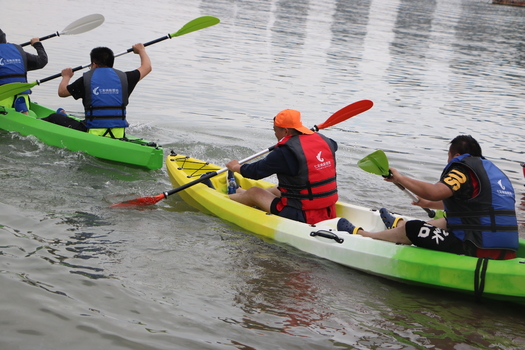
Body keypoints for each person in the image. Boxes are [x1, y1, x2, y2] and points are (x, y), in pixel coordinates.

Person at [340, 135, 519, 260]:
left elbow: (434, 191)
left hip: (476, 248)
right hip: (505, 247)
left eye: (448, 156)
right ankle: (397, 225)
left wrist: (400, 178)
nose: (448, 161)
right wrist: (427, 203)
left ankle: (365, 234)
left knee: (413, 228)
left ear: (456, 155)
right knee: (447, 221)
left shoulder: (463, 168)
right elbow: (472, 205)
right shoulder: (493, 173)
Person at [225, 109, 338, 225]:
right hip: (328, 209)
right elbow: (334, 145)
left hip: (301, 215)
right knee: (276, 189)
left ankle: (227, 198)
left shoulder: (284, 153)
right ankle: (241, 193)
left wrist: (236, 167)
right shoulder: (327, 142)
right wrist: (304, 137)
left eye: (275, 130)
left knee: (255, 192)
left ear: (285, 131)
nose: (275, 134)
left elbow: (255, 172)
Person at [42, 44, 151, 138]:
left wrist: (66, 76)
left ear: (94, 64)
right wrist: (141, 50)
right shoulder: (125, 78)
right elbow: (147, 67)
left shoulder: (86, 80)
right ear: (112, 64)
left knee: (54, 117)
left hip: (92, 132)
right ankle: (65, 116)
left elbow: (62, 92)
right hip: (118, 134)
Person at [0, 29, 48, 114]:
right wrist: (37, 44)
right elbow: (42, 61)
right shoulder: (19, 52)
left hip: (2, 102)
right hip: (23, 102)